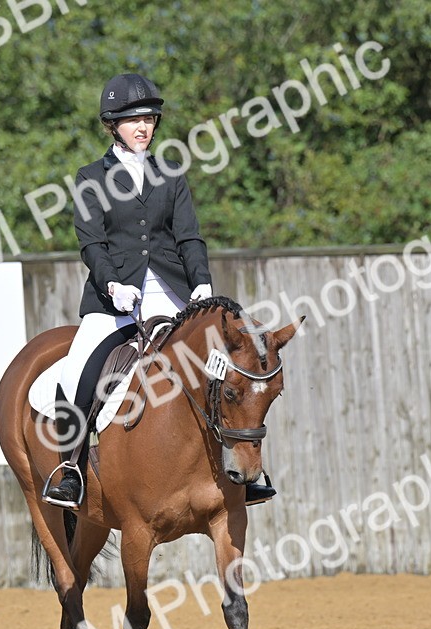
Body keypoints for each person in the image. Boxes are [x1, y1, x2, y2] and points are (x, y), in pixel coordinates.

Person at [42, 73, 276, 509]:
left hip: (173, 292)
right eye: (134, 120)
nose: (143, 127)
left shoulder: (171, 173)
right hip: (114, 300)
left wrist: (201, 280)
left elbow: (189, 236)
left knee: (234, 362)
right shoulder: (91, 177)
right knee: (79, 372)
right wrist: (113, 284)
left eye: (149, 119)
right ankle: (70, 469)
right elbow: (92, 243)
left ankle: (248, 468)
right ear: (112, 125)